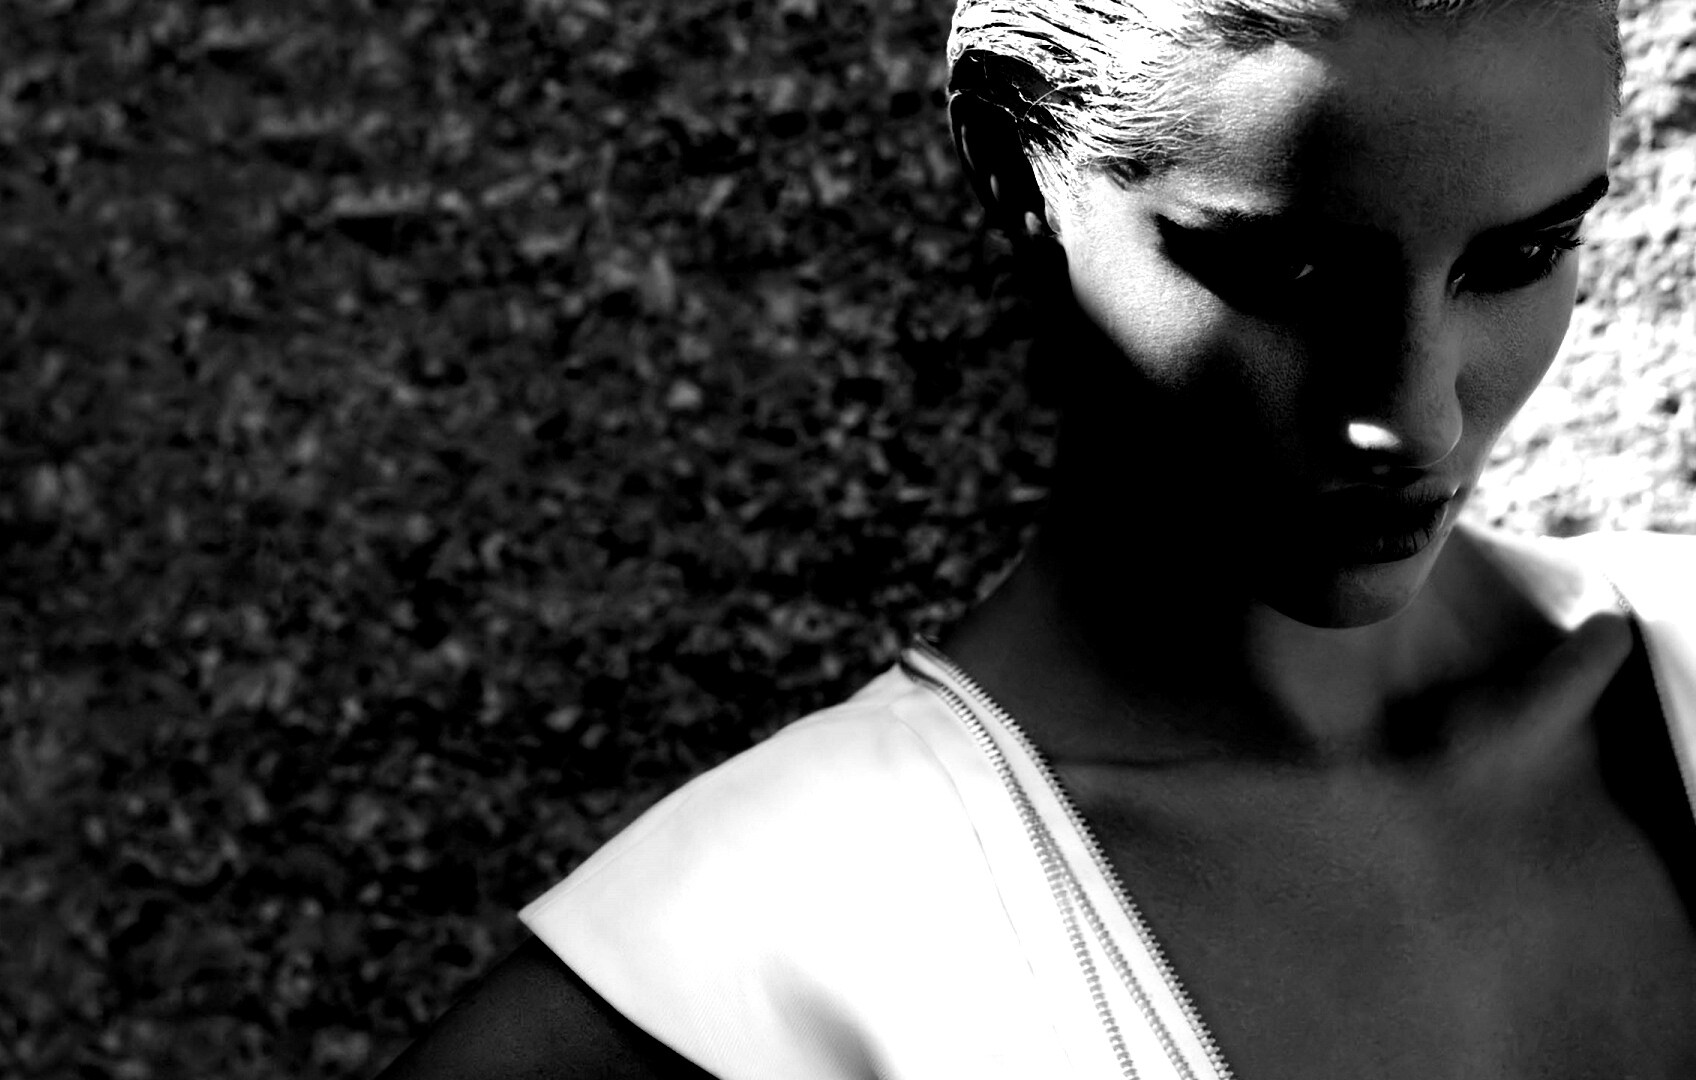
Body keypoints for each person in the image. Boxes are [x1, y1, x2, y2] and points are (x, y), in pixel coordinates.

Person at [383, 0, 1696, 1075]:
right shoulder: (768, 954)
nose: (1411, 416)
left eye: (1524, 256)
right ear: (1017, 172)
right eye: (1283, 273)